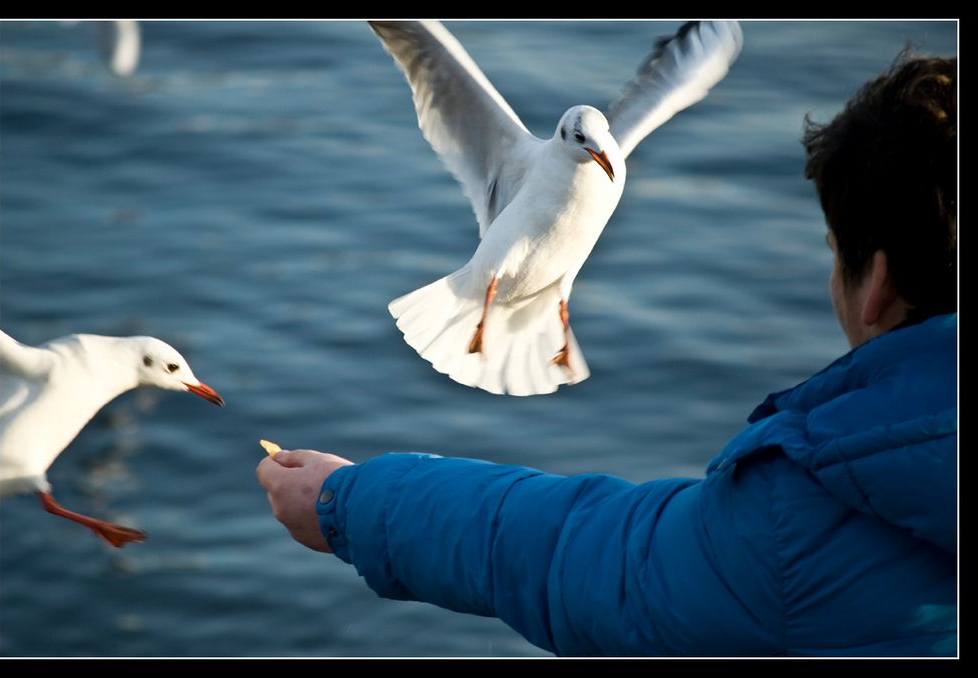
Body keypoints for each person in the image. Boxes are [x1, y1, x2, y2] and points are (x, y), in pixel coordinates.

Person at [256, 52, 957, 657]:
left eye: (834, 255)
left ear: (879, 283)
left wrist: (348, 502)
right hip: (491, 289)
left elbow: (595, 563)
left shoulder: (803, 520)